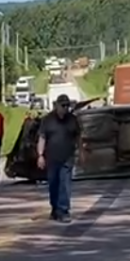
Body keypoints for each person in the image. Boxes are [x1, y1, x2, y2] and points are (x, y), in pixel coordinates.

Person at [37, 94, 82, 223]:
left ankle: (63, 210)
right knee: (53, 184)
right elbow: (42, 138)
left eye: (67, 105)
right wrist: (40, 155)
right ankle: (55, 208)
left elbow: (78, 136)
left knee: (65, 184)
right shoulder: (48, 120)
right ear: (56, 105)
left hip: (67, 157)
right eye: (63, 105)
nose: (65, 108)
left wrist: (82, 152)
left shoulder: (72, 120)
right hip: (51, 158)